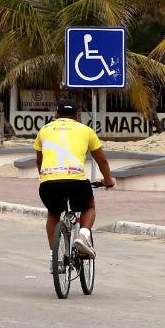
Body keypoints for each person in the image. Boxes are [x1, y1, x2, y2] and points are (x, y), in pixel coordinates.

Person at [33, 100, 114, 257]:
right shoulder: (86, 130)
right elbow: (102, 160)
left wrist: (45, 177)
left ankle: (54, 256)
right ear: (77, 116)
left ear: (56, 115)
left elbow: (39, 160)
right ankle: (83, 235)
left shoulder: (44, 130)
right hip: (76, 182)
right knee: (88, 208)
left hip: (48, 183)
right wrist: (108, 180)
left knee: (53, 214)